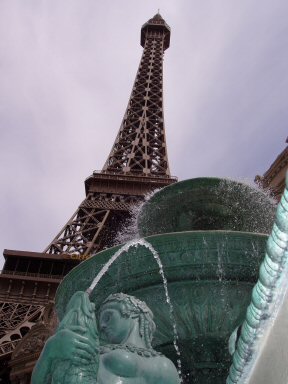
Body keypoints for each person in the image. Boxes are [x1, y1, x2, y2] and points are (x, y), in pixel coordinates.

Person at [32, 292, 180, 384]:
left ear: (133, 313)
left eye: (108, 317)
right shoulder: (92, 347)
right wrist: (50, 350)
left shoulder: (162, 365)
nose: (101, 325)